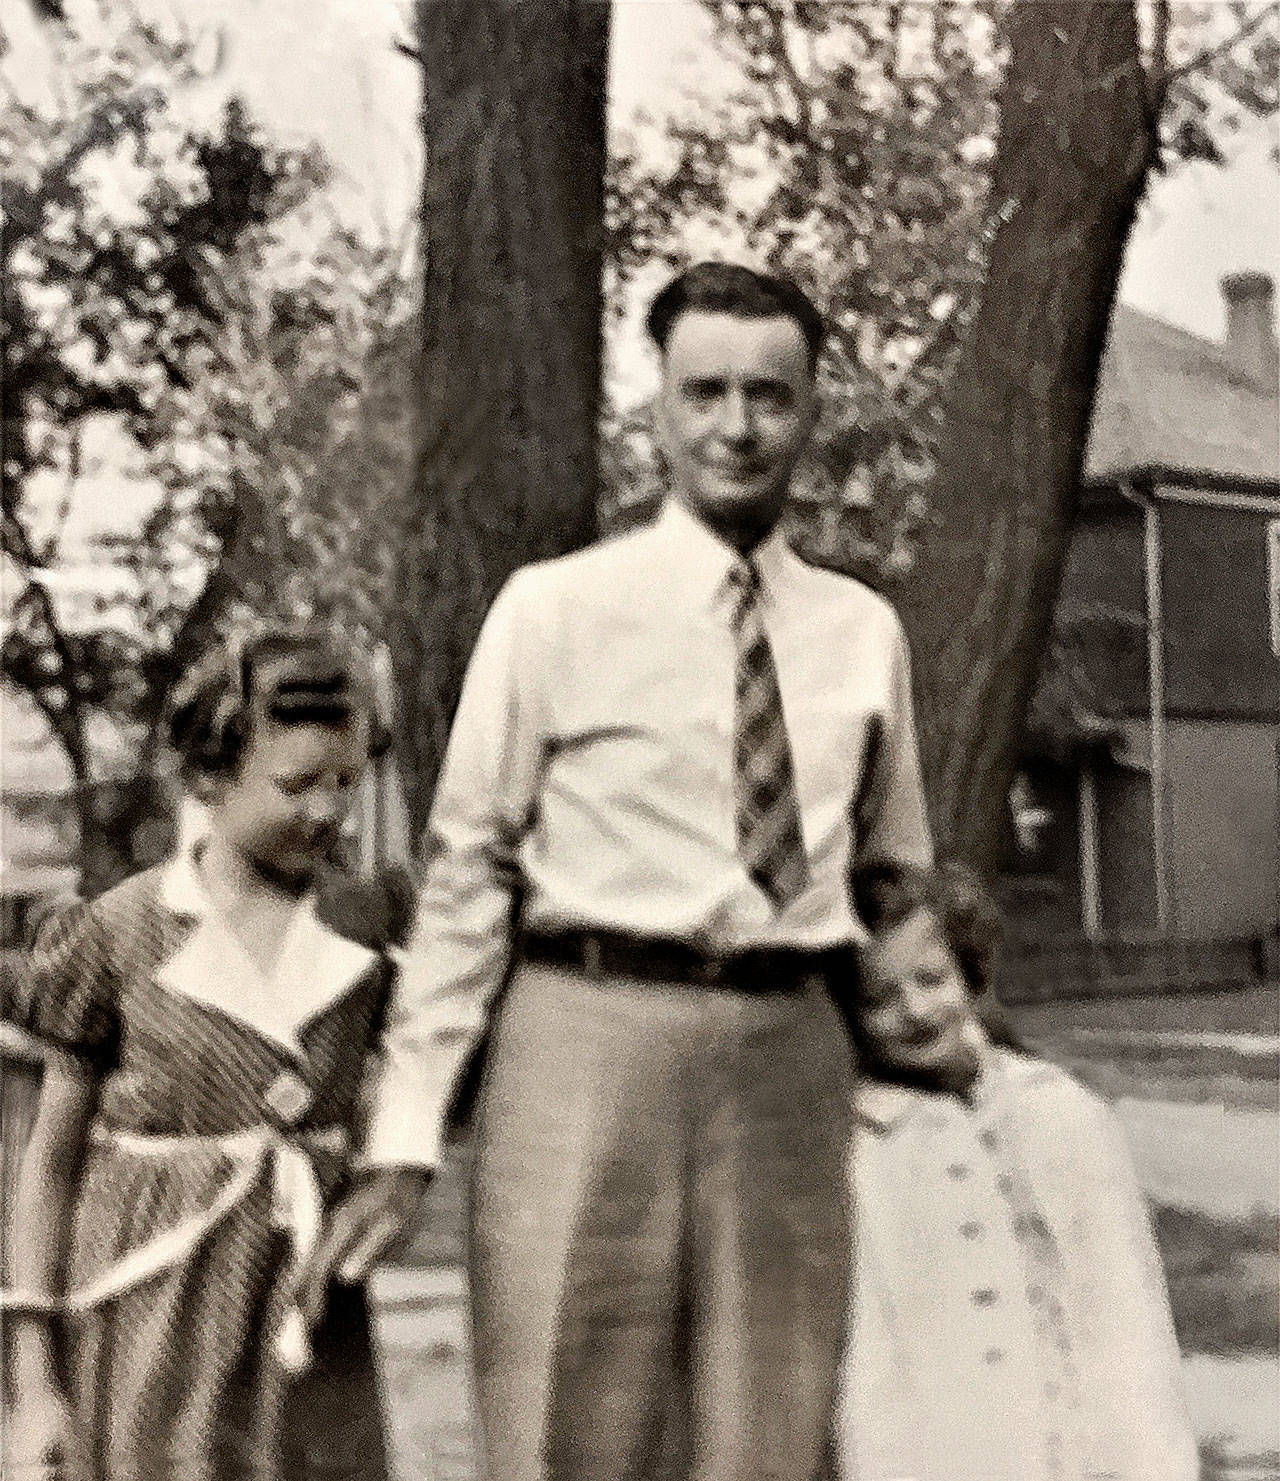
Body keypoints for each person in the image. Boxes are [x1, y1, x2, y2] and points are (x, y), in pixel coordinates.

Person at [319, 261, 933, 1481]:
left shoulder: (861, 632)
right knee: (566, 1420)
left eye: (769, 394)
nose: (736, 425)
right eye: (704, 391)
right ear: (655, 406)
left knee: (772, 1430)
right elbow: (462, 879)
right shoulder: (554, 611)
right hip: (583, 1033)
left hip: (786, 1054)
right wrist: (404, 1122)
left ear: (811, 410)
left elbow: (894, 875)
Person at [4, 626, 419, 1481]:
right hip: (150, 1322)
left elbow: (403, 1086)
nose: (328, 810)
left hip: (309, 1327)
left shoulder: (364, 928)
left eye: (346, 781)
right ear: (209, 779)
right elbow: (49, 1161)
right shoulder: (117, 934)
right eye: (296, 784)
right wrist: (35, 1376)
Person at [832, 858, 1199, 1481]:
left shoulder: (1058, 1110)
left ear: (968, 973)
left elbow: (1126, 1301)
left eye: (931, 978)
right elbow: (869, 1364)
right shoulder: (859, 1150)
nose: (916, 1011)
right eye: (880, 1000)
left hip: (1085, 1445)